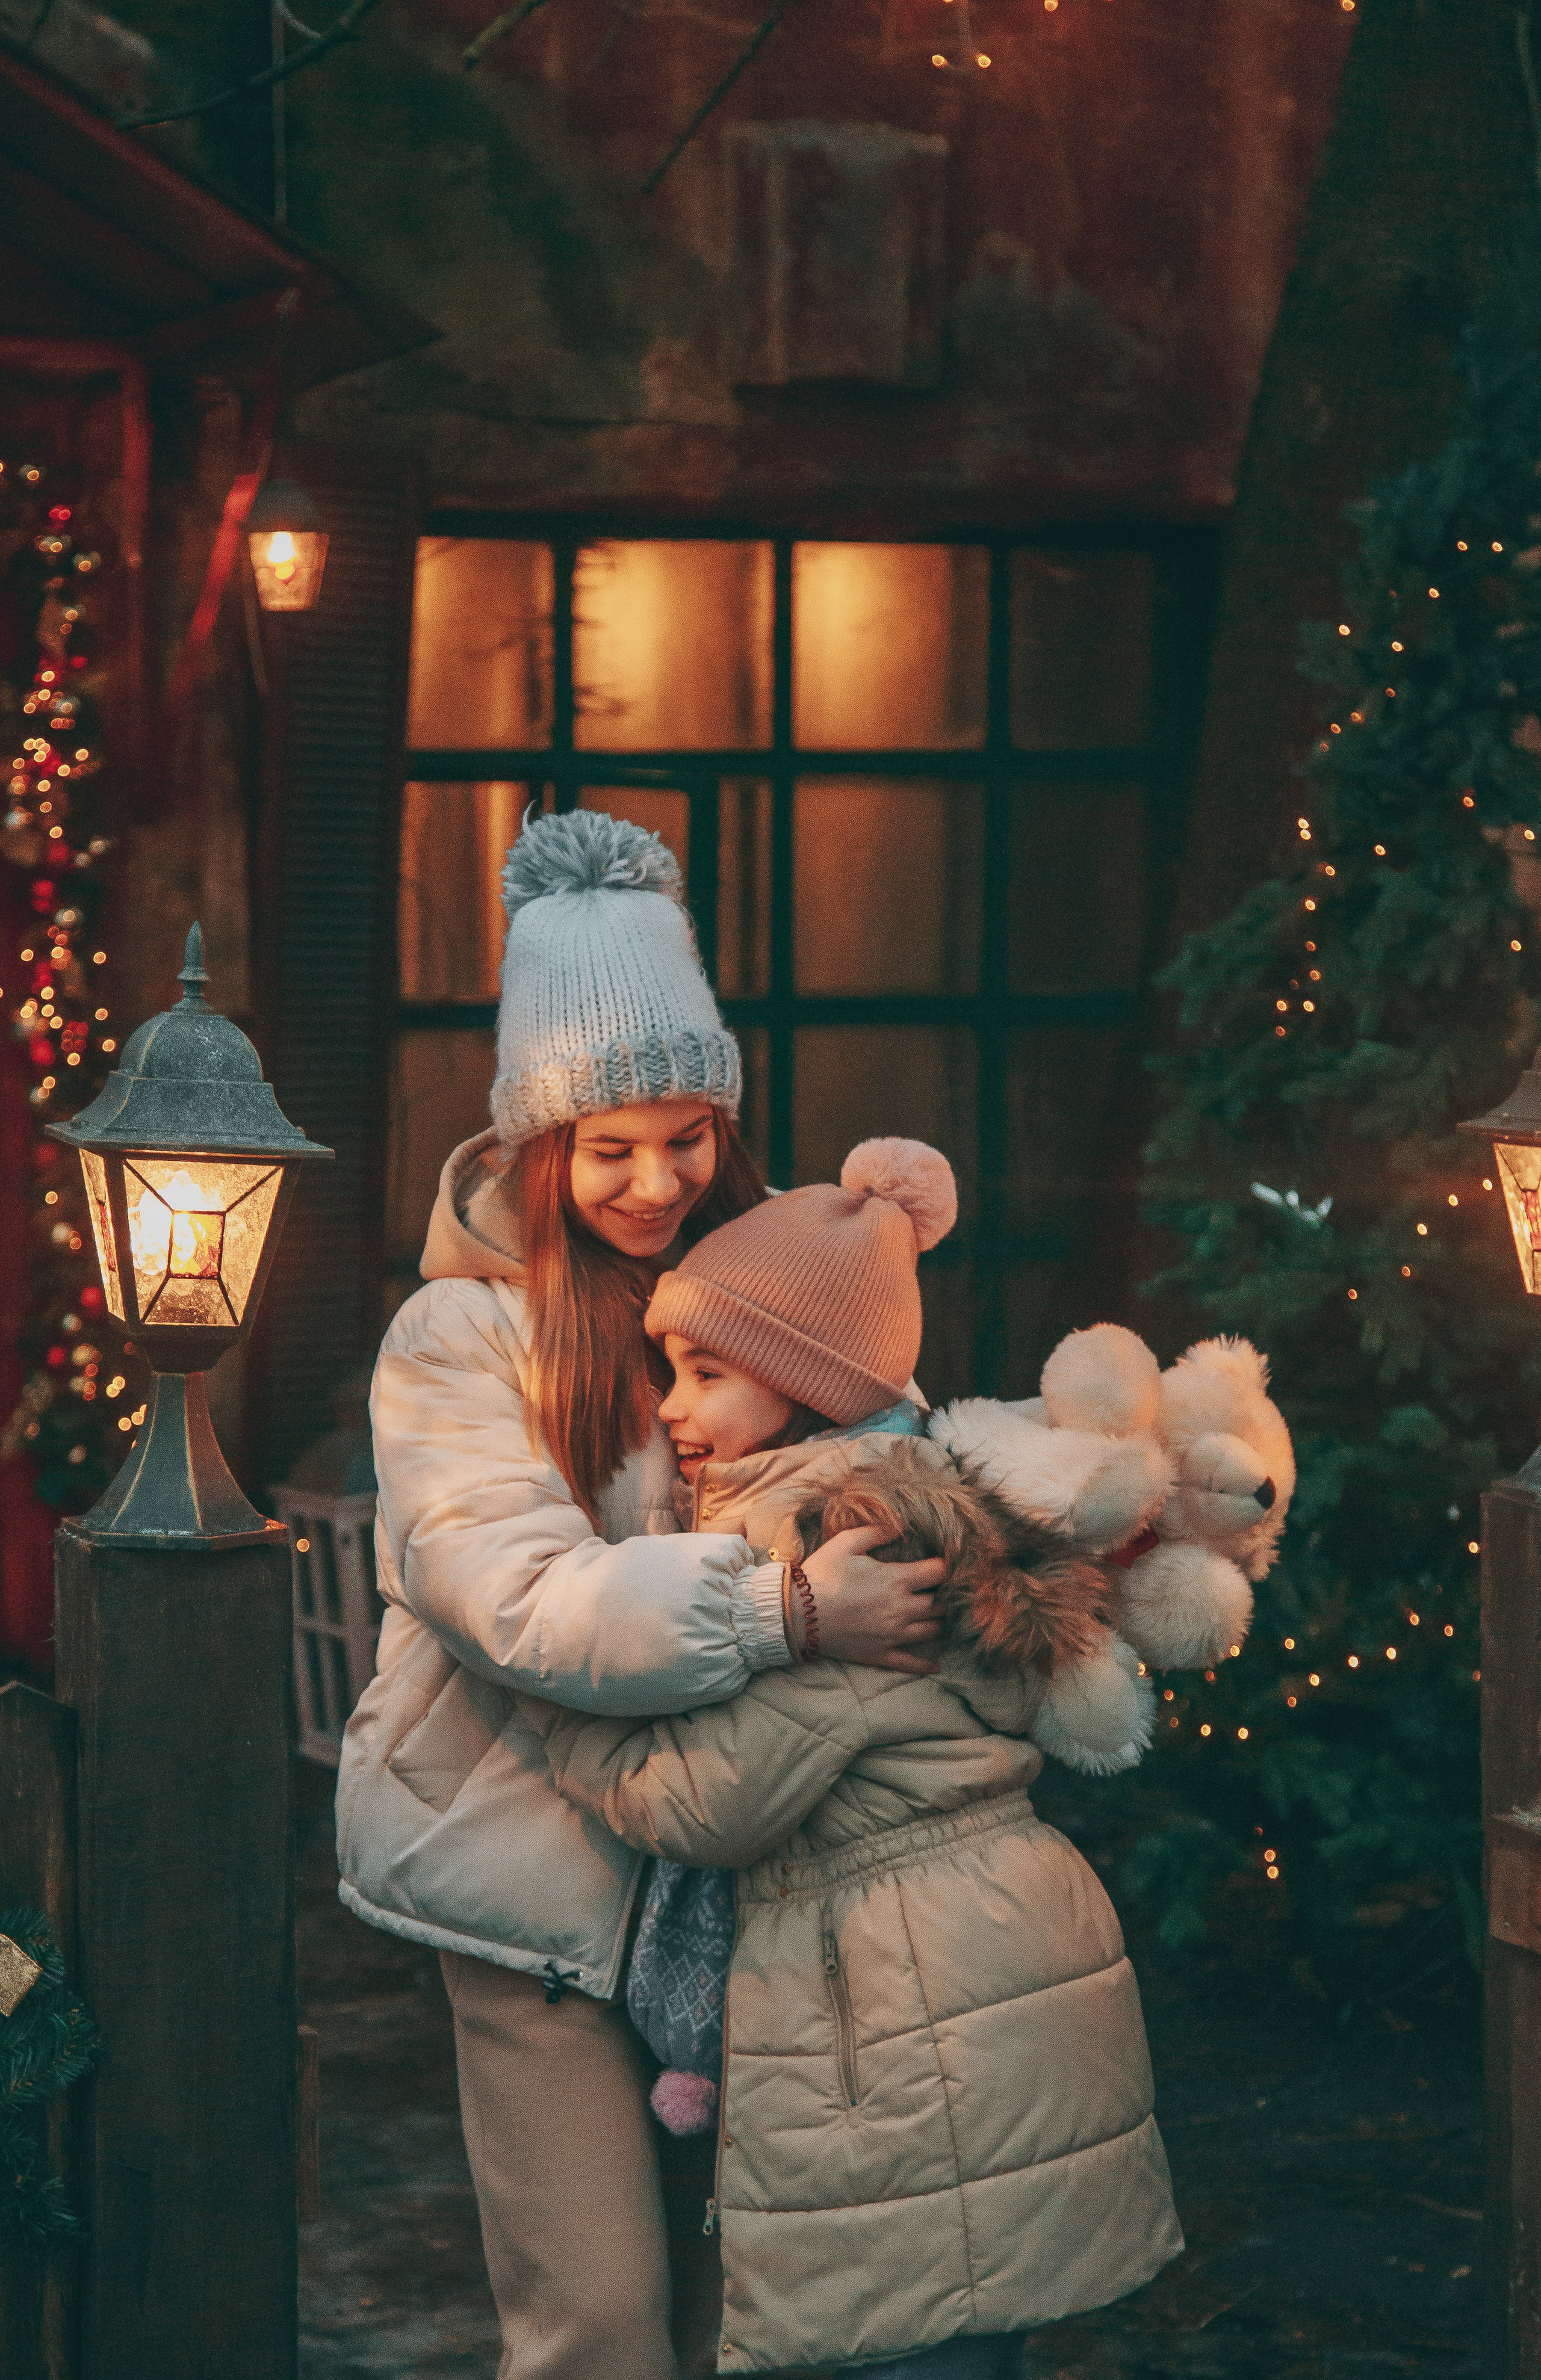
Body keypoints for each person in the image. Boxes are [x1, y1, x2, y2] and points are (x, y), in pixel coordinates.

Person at [336, 808, 944, 2380]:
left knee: (750, 2314)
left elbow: (886, 1452)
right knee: (599, 2325)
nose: (658, 1178)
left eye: (690, 1137)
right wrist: (790, 1609)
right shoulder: (454, 1341)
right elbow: (525, 1595)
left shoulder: (745, 1292)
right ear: (540, 1148)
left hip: (735, 1873)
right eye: (610, 1148)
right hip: (533, 1882)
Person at [521, 1136, 1185, 2380]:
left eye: (706, 1370)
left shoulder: (852, 1545)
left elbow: (706, 1801)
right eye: (671, 1365)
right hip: (958, 1970)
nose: (672, 1404)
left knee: (918, 2334)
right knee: (958, 2325)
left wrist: (559, 1704)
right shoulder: (903, 1499)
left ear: (808, 1383)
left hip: (911, 2004)